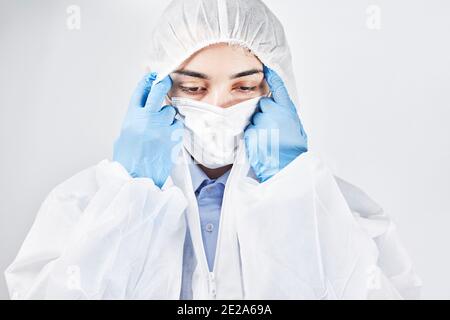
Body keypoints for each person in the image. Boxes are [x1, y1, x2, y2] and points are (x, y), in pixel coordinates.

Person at [4, 0, 421, 299]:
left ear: (280, 90)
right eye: (192, 87)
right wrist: (128, 199)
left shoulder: (340, 210)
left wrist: (293, 196)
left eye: (244, 86)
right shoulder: (81, 206)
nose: (219, 105)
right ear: (158, 91)